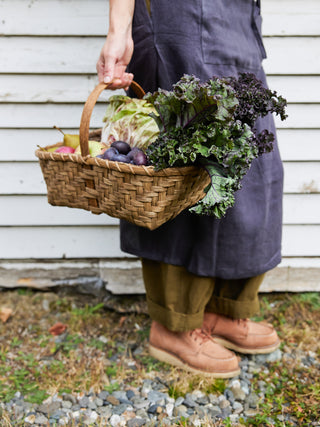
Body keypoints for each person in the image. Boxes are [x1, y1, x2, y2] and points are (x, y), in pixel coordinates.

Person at [96, 0, 283, 378]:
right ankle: (175, 324)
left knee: (251, 172)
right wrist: (120, 29)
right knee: (182, 173)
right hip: (176, 18)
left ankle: (222, 311)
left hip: (235, 21)